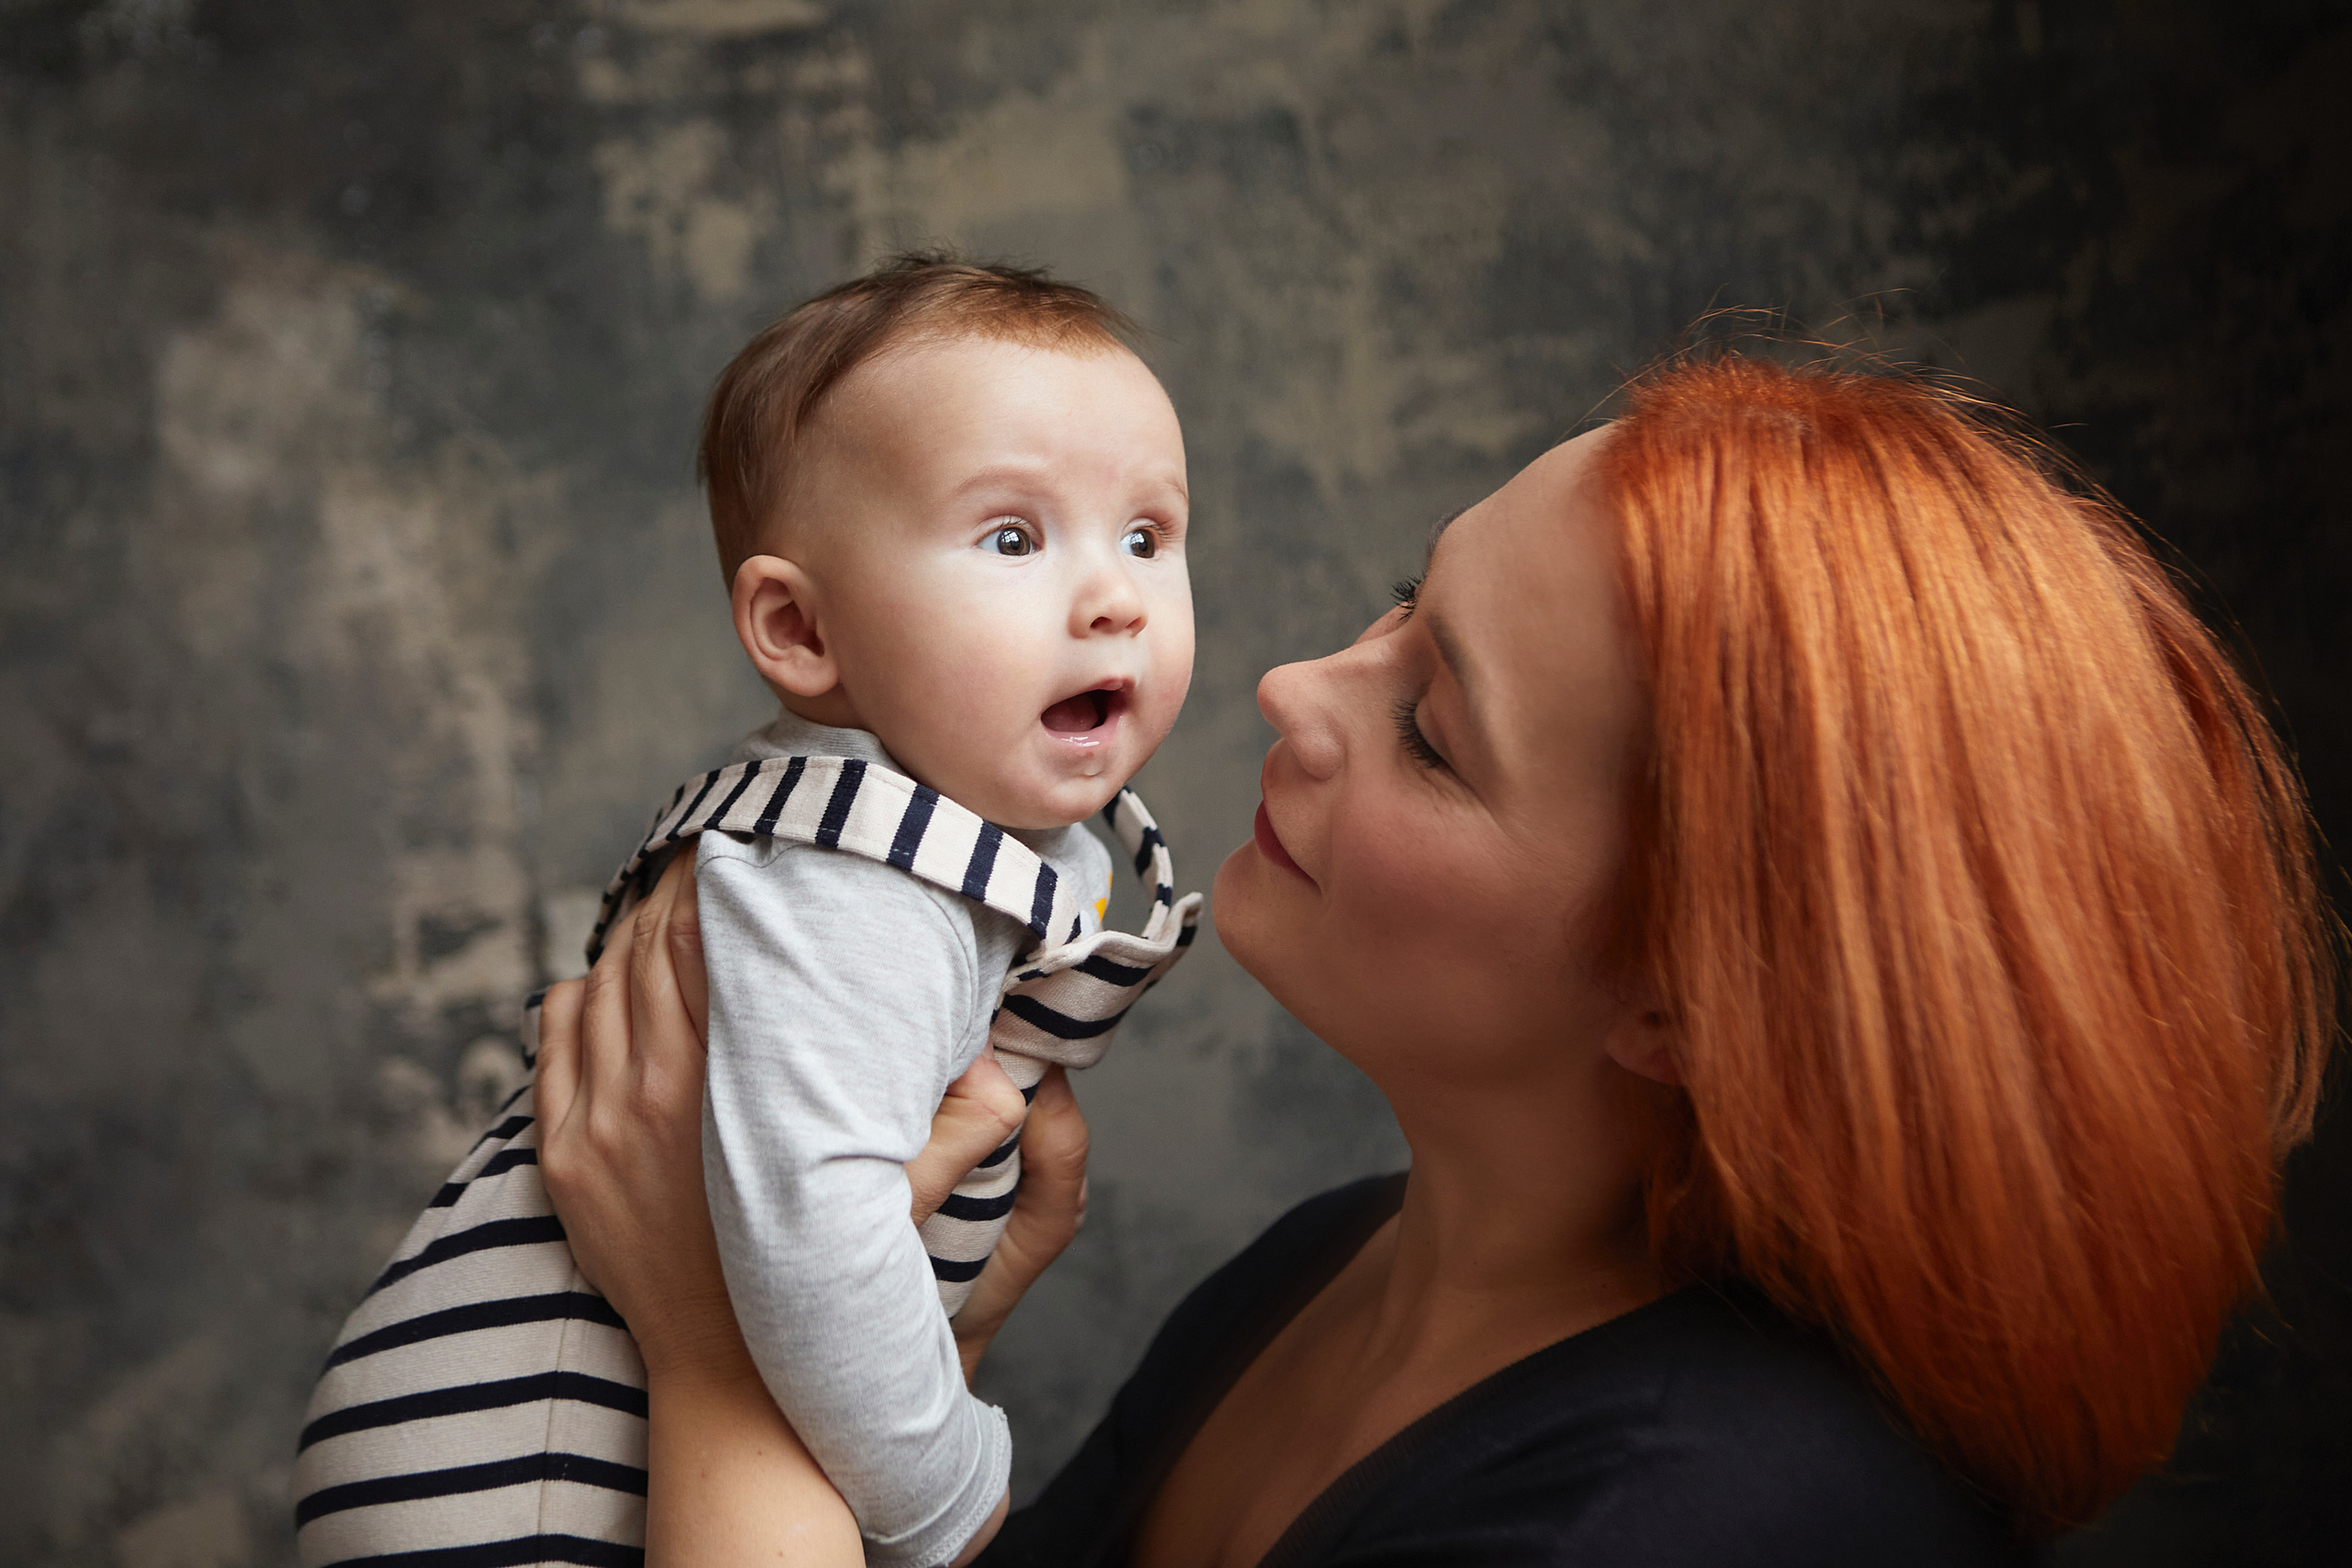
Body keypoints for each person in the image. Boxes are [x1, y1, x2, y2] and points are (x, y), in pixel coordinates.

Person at [533, 351, 2335, 1566]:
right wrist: (900, 1343)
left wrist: (728, 1357)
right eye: (1404, 601)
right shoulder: (1332, 1267)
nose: (1288, 687)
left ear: (1682, 995)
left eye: (1433, 732)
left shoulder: (1681, 1525)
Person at [293, 257, 1205, 1568]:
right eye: (1013, 538)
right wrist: (950, 1493)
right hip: (524, 1462)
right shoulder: (860, 884)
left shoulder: (975, 838)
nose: (1116, 596)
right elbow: (811, 1238)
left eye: (1147, 536)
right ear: (800, 629)